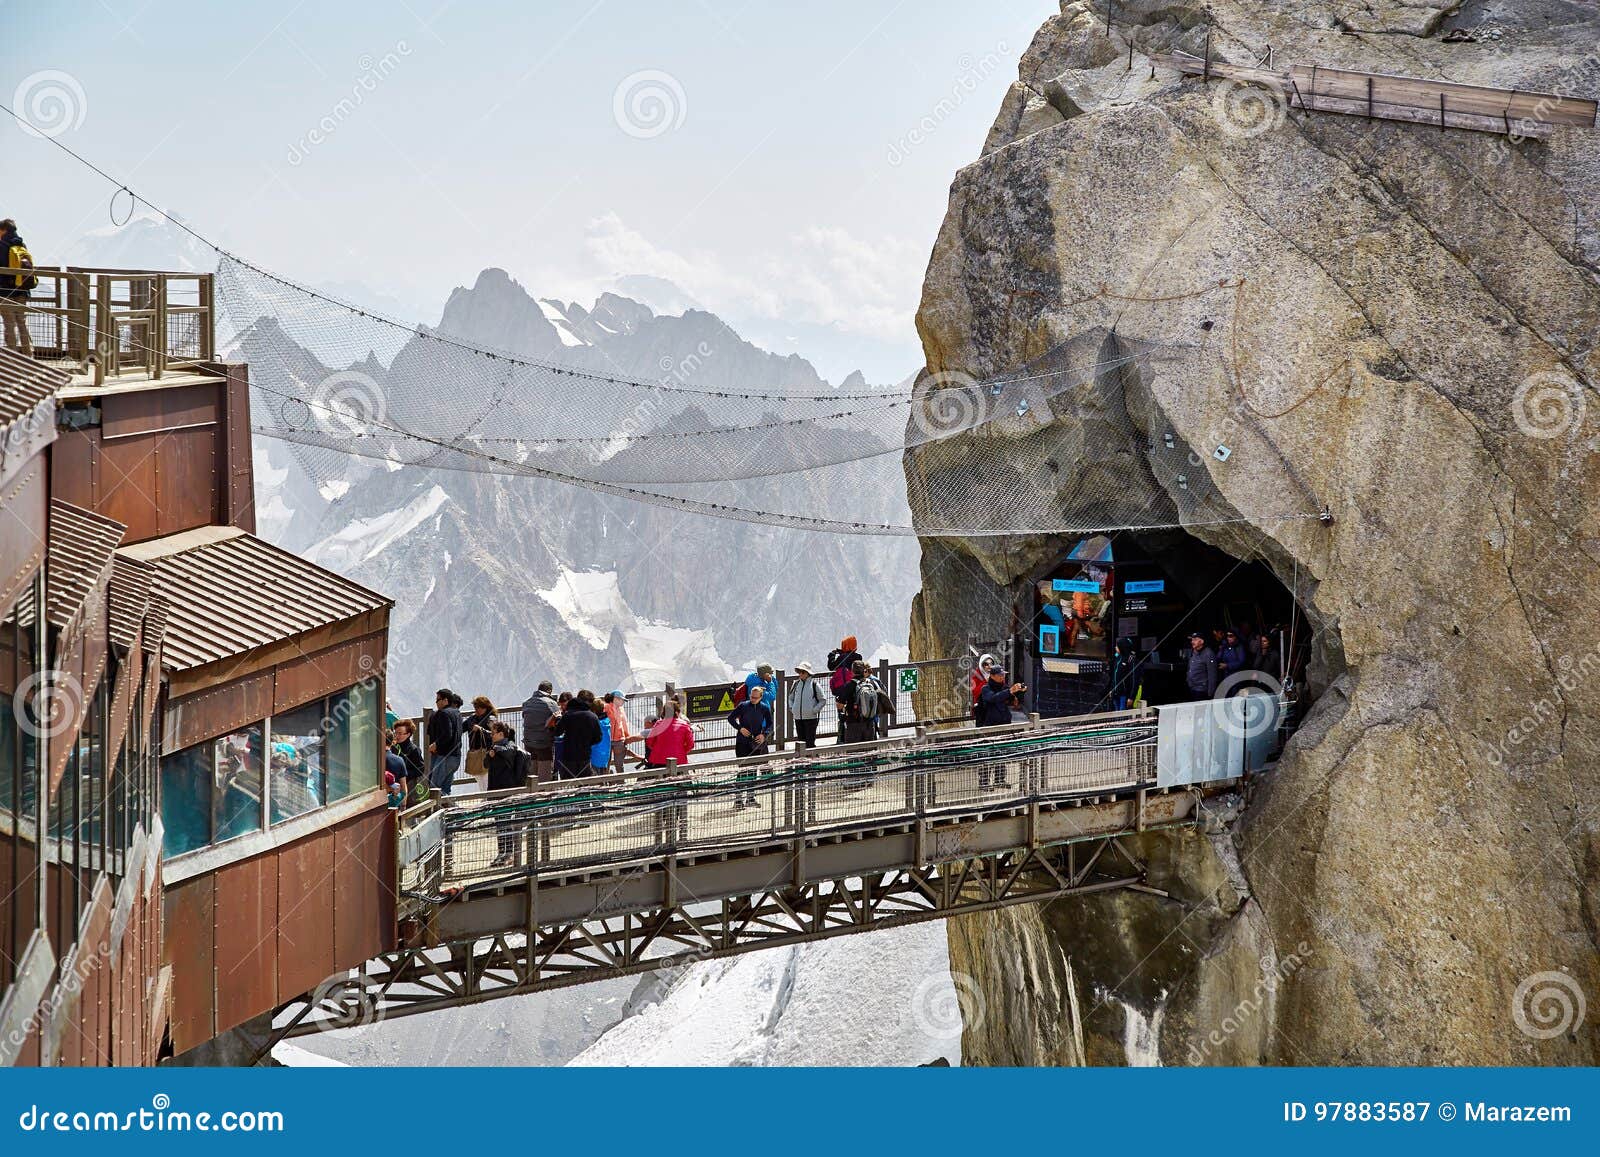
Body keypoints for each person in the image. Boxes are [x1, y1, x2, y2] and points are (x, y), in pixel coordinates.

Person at [485, 721, 533, 866]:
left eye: (493, 733)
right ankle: (503, 853)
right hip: (497, 790)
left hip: (506, 791)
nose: (491, 735)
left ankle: (508, 854)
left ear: (501, 734)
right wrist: (491, 753)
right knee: (500, 823)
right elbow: (485, 764)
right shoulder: (495, 748)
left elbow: (507, 751)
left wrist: (496, 751)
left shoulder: (509, 746)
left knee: (505, 822)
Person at [975, 667, 1024, 788]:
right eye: (1000, 675)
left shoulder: (1004, 687)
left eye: (1003, 675)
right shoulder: (986, 688)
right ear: (992, 676)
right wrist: (1009, 691)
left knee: (1002, 753)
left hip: (1004, 726)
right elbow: (993, 698)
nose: (1003, 677)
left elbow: (1014, 702)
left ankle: (999, 780)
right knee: (987, 754)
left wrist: (1019, 691)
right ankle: (984, 782)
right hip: (989, 727)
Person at [726, 684, 773, 808]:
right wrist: (740, 728)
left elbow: (770, 724)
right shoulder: (743, 706)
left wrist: (764, 735)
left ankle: (750, 798)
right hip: (742, 742)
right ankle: (738, 800)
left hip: (756, 743)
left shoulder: (764, 708)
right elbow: (730, 718)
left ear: (761, 697)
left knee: (753, 771)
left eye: (755, 698)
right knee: (742, 771)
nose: (753, 699)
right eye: (751, 697)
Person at [0, 220, 35, 355]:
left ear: (3, 230)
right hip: (22, 291)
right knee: (22, 323)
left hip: (5, 292)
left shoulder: (2, 246)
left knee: (9, 324)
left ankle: (12, 357)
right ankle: (29, 355)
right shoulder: (21, 245)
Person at [554, 691, 602, 779]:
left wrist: (558, 720)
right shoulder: (592, 716)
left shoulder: (567, 715)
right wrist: (587, 743)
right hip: (585, 755)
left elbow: (557, 732)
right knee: (584, 784)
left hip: (569, 755)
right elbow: (598, 738)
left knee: (568, 784)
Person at [425, 688, 464, 793]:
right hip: (455, 756)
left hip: (444, 757)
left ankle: (437, 809)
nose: (436, 702)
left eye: (438, 700)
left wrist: (436, 744)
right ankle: (448, 808)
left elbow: (447, 734)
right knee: (446, 788)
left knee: (435, 789)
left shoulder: (443, 714)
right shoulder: (457, 713)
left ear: (445, 700)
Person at [520, 680, 559, 782]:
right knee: (544, 773)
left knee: (532, 771)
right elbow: (558, 719)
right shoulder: (552, 703)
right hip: (544, 743)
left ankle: (531, 794)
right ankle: (544, 796)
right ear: (549, 690)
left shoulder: (526, 703)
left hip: (528, 742)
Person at [643, 700, 695, 768]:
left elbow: (649, 742)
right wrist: (681, 750)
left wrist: (658, 749)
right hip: (679, 761)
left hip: (658, 760)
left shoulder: (659, 724)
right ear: (677, 712)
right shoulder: (685, 725)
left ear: (664, 713)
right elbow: (690, 745)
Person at [787, 661, 827, 749]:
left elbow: (823, 700)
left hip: (811, 719)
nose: (799, 674)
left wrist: (814, 710)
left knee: (810, 742)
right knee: (801, 741)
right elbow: (790, 698)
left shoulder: (815, 684)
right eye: (799, 671)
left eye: (802, 672)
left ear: (807, 673)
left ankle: (813, 762)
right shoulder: (796, 684)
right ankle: (803, 761)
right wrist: (792, 708)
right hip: (798, 718)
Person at [390, 719, 426, 800]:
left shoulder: (413, 749)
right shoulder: (392, 747)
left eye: (400, 733)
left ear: (408, 734)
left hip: (407, 784)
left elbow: (420, 769)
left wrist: (404, 775)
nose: (396, 736)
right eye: (395, 733)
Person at [1109, 637, 1143, 710]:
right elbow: (1114, 676)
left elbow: (1135, 680)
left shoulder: (1131, 659)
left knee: (1122, 715)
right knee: (1116, 715)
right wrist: (1111, 689)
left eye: (1117, 646)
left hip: (1124, 694)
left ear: (1122, 647)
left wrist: (1131, 697)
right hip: (1116, 693)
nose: (1115, 647)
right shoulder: (1118, 658)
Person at [827, 635, 862, 703]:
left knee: (842, 707)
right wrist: (843, 652)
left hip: (844, 687)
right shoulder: (859, 657)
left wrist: (831, 655)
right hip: (856, 686)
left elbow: (831, 666)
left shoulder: (842, 657)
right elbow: (849, 657)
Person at [602, 691, 632, 763]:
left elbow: (624, 722)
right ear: (616, 699)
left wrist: (627, 735)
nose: (623, 702)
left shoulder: (621, 709)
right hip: (608, 739)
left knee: (619, 762)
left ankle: (619, 774)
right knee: (606, 762)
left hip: (619, 739)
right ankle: (607, 774)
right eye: (622, 700)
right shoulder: (606, 707)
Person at [1186, 633, 1218, 699]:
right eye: (1192, 640)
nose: (1192, 642)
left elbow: (1212, 675)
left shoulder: (1209, 654)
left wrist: (1210, 693)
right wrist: (1188, 680)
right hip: (1192, 687)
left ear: (1202, 641)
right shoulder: (1193, 652)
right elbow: (1189, 668)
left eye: (1195, 640)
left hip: (1202, 689)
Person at [591, 699, 614, 774]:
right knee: (603, 775)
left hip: (595, 754)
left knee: (595, 779)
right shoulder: (607, 721)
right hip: (605, 755)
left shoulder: (595, 723)